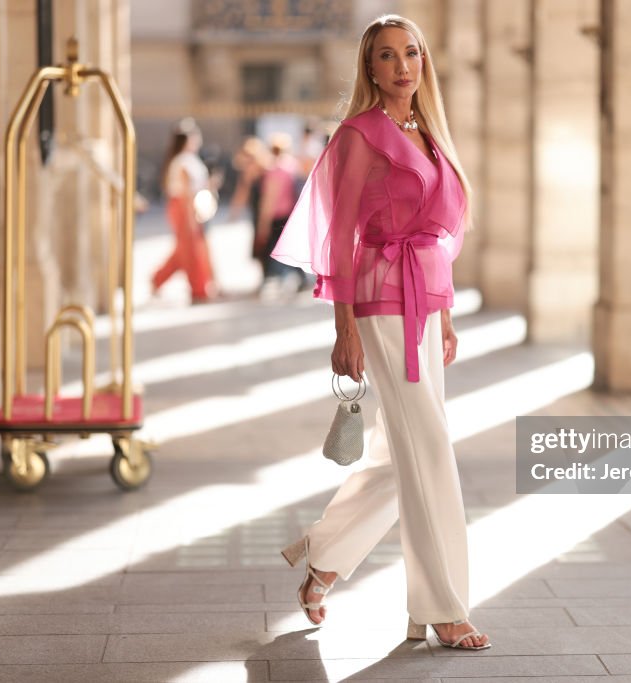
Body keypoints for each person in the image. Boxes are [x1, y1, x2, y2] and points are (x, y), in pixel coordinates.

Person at [271, 15, 490, 650]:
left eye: (412, 53)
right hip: (377, 298)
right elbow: (339, 235)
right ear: (371, 68)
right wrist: (343, 328)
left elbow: (440, 238)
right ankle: (442, 606)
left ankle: (323, 558)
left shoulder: (430, 134)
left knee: (404, 452)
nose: (402, 66)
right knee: (430, 446)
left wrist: (444, 315)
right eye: (388, 56)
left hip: (425, 302)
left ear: (424, 62)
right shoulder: (358, 135)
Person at [151, 119, 219, 303]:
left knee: (186, 248)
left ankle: (158, 279)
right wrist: (190, 217)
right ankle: (198, 289)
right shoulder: (182, 161)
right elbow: (187, 192)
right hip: (183, 207)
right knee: (190, 249)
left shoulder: (189, 159)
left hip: (191, 206)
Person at [256, 133, 305, 291]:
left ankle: (269, 278)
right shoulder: (292, 166)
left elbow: (269, 198)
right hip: (290, 212)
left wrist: (263, 222)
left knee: (271, 248)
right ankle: (299, 276)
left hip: (277, 215)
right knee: (290, 246)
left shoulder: (274, 171)